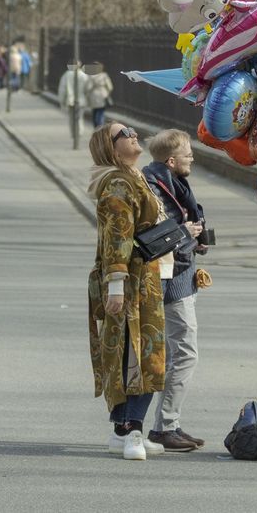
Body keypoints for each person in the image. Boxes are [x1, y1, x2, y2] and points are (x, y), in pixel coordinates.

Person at [87, 122, 169, 461]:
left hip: (143, 274)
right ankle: (133, 428)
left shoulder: (132, 177)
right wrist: (117, 285)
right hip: (131, 278)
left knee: (126, 351)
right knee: (143, 352)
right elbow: (118, 236)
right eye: (125, 134)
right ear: (111, 147)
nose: (134, 135)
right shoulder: (118, 182)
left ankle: (122, 429)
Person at [143, 129, 207, 452]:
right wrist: (187, 232)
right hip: (170, 275)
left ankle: (169, 424)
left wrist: (198, 237)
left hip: (181, 271)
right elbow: (159, 231)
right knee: (185, 352)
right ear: (171, 160)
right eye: (187, 153)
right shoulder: (156, 185)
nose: (192, 157)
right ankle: (164, 426)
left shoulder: (172, 181)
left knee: (178, 353)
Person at [57, 61, 91, 139]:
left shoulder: (67, 74)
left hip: (70, 100)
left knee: (71, 118)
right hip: (81, 100)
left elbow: (62, 89)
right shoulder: (84, 75)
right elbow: (88, 88)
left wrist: (61, 100)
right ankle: (79, 132)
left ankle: (73, 133)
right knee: (80, 117)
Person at [87, 62, 114, 128]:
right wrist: (107, 93)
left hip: (93, 96)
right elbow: (110, 87)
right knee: (101, 112)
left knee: (94, 111)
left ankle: (96, 126)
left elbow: (88, 87)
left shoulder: (90, 76)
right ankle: (100, 126)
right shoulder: (104, 76)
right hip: (103, 95)